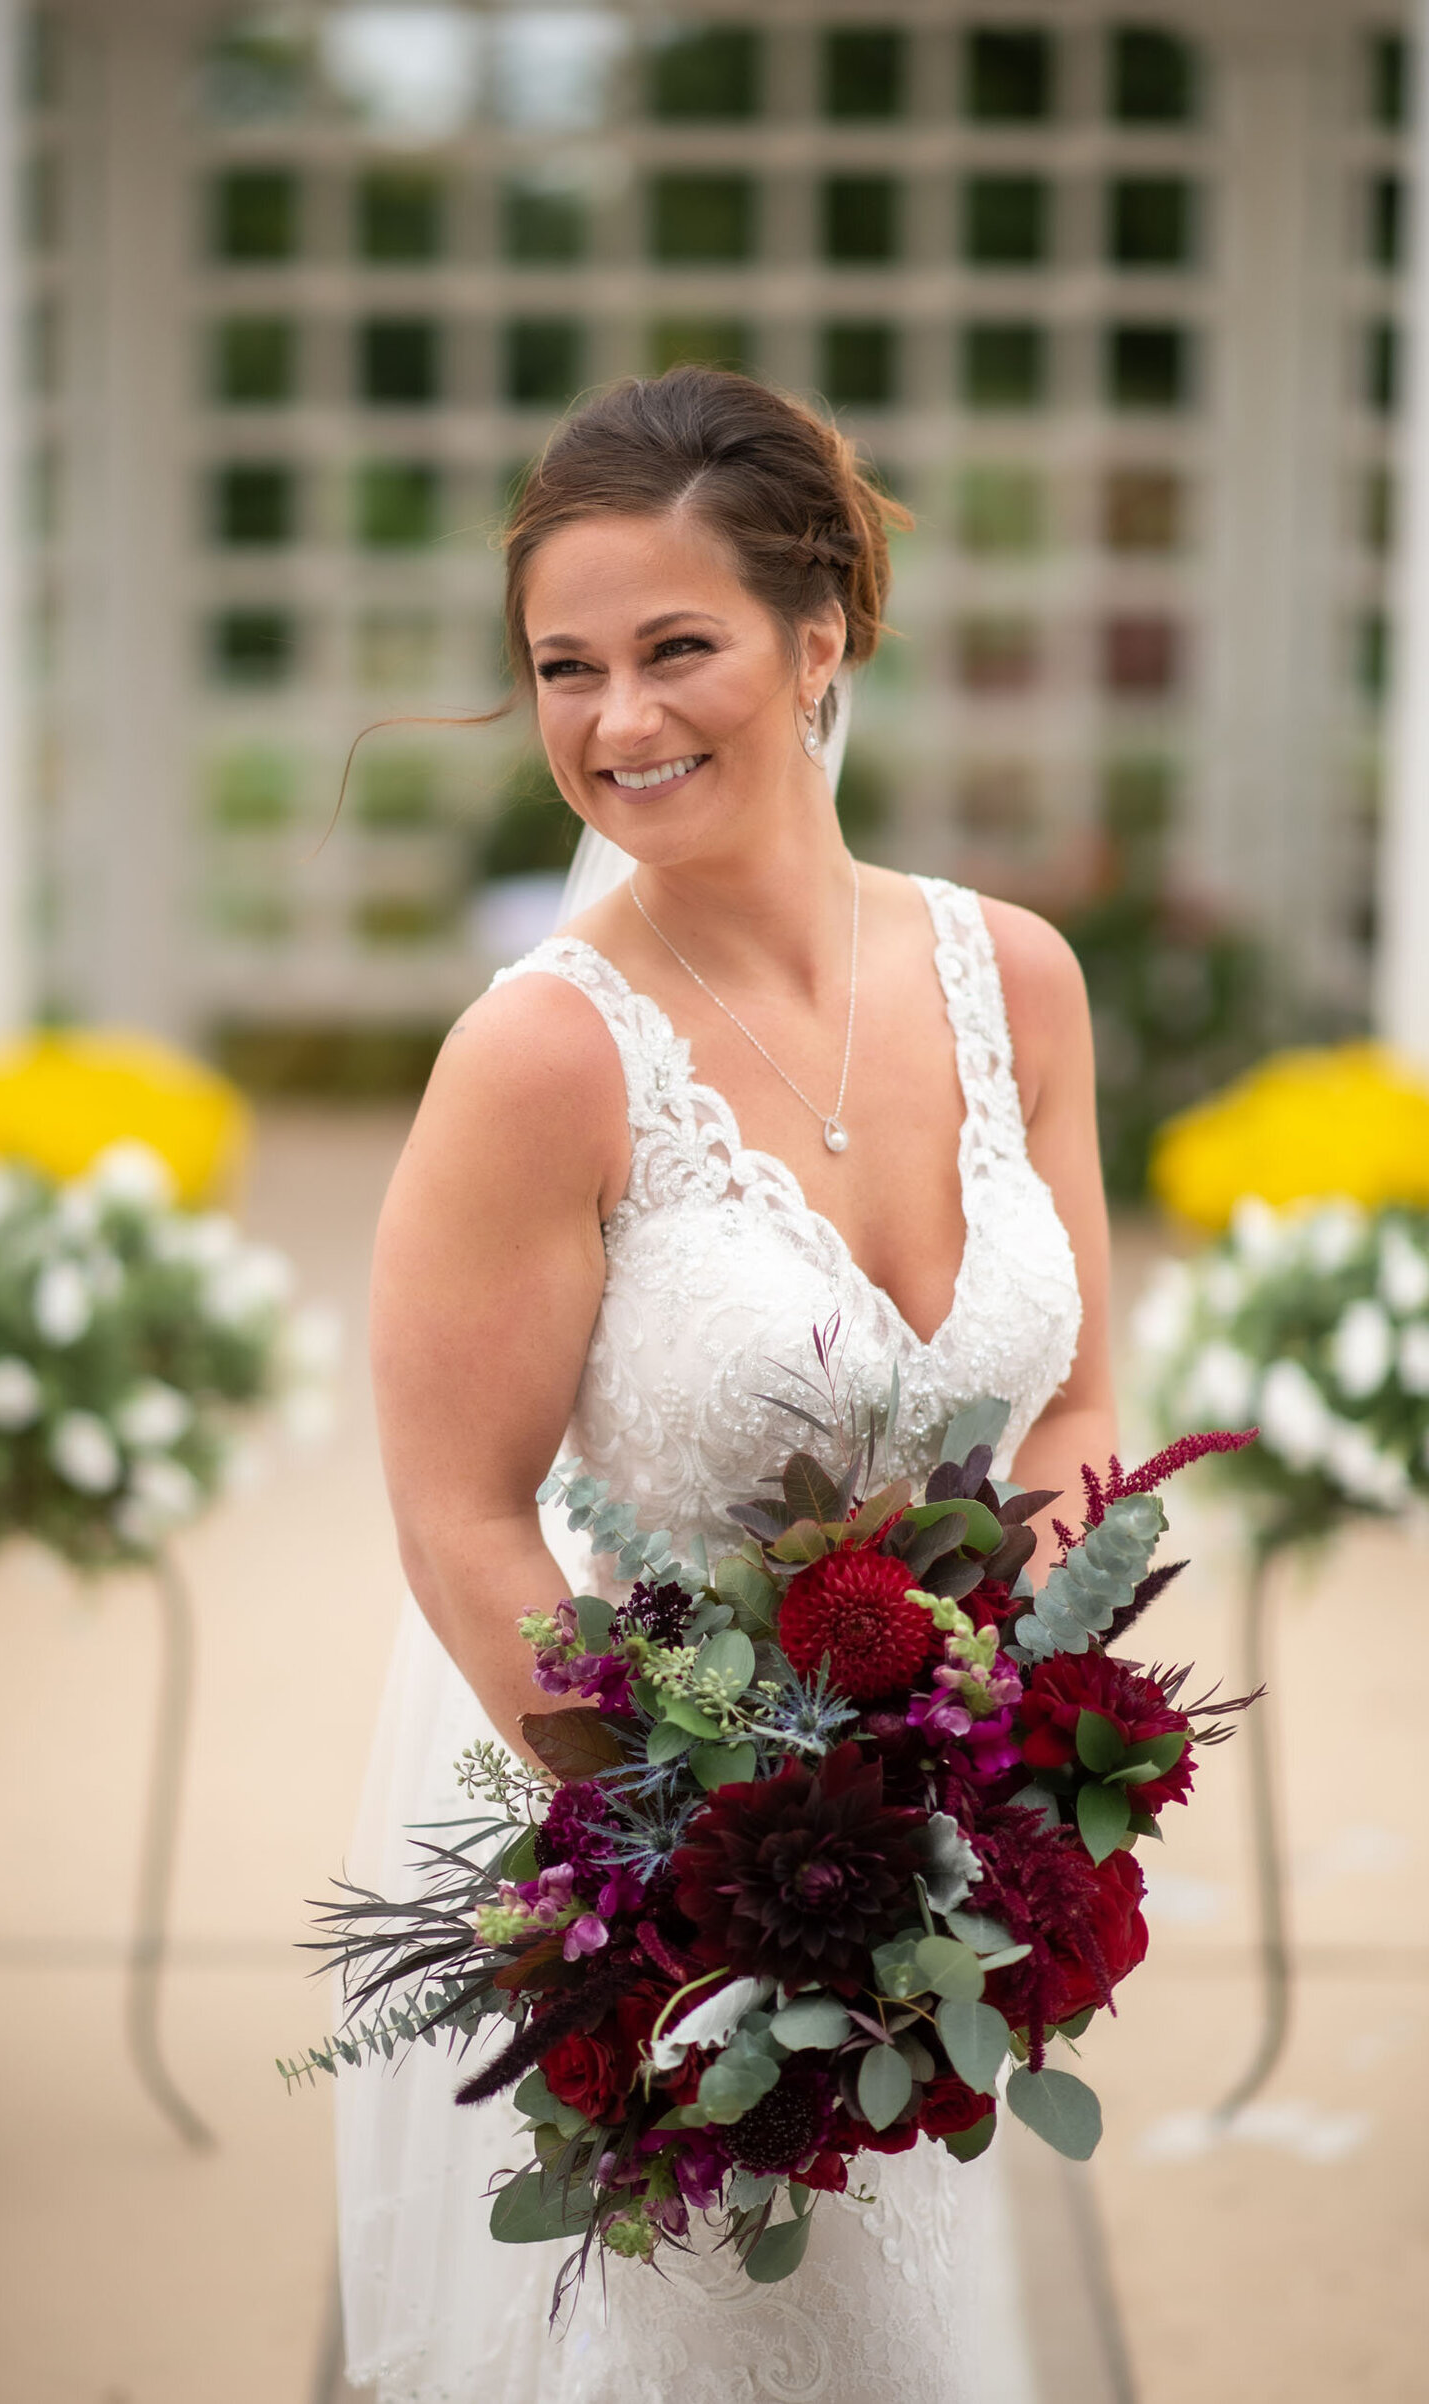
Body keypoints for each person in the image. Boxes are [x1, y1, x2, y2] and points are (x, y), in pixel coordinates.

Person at [336, 366, 1114, 2402]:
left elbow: (1083, 1397)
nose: (614, 722)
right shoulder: (538, 1058)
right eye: (561, 668)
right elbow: (459, 1519)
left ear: (820, 633)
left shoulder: (1013, 976)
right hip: (660, 1896)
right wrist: (699, 1873)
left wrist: (1014, 1747)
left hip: (933, 1881)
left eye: (675, 646)